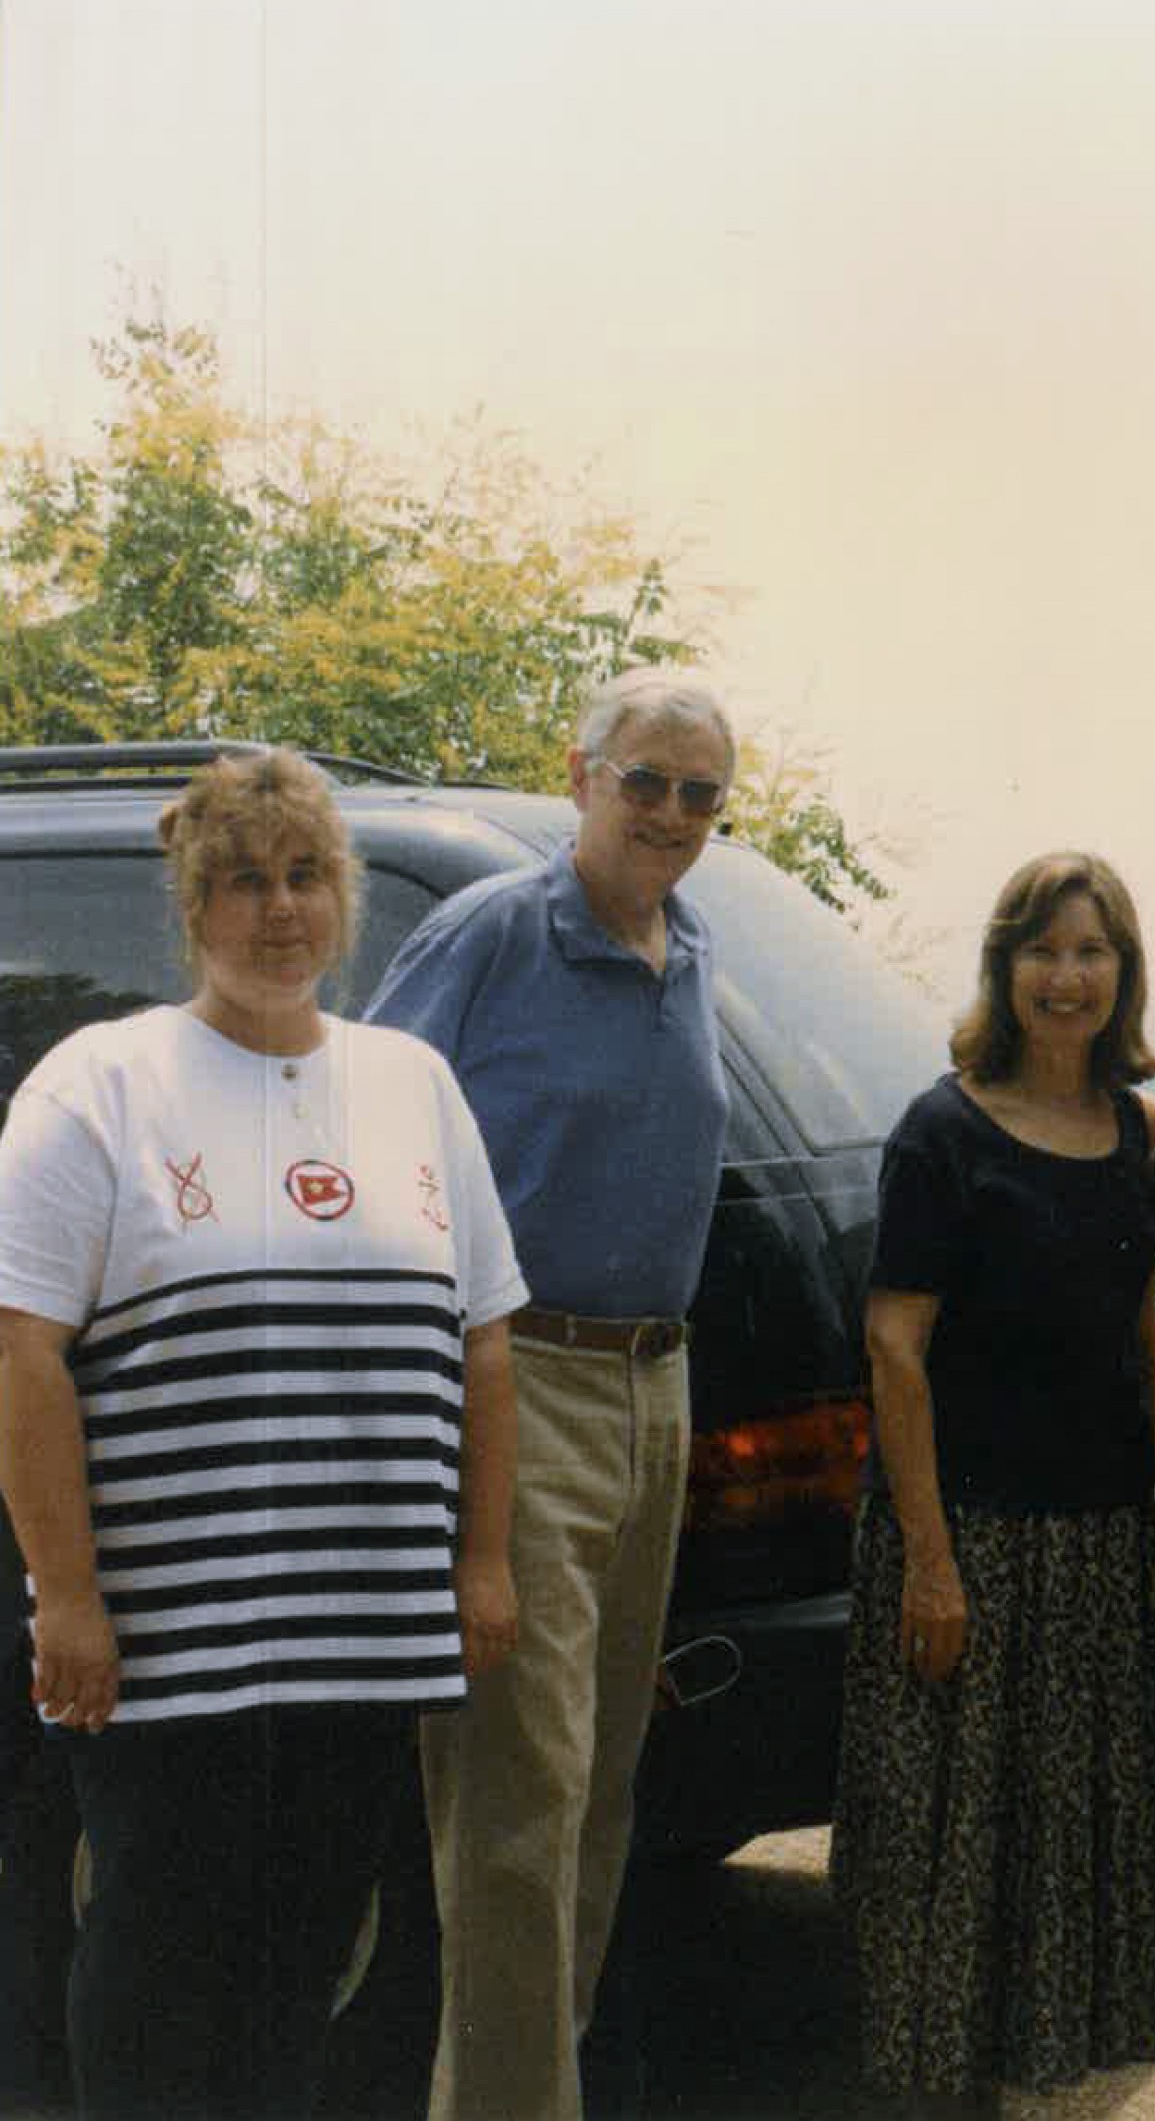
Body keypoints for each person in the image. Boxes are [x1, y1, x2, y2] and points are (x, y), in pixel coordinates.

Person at [0, 749, 523, 2119]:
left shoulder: (413, 1082)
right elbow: (24, 1351)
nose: (280, 909)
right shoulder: (100, 1081)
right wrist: (67, 1594)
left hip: (364, 1627)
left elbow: (485, 1341)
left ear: (342, 897)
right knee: (155, 1949)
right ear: (193, 906)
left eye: (305, 877)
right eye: (243, 881)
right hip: (167, 1633)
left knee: (304, 1953)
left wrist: (481, 1560)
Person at [366, 665, 734, 2121]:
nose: (671, 812)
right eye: (645, 779)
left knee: (597, 1800)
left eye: (701, 792)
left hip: (656, 1390)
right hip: (520, 1383)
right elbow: (368, 1136)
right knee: (520, 1807)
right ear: (580, 774)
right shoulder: (494, 932)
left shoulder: (692, 943)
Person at [830, 852, 1155, 2105]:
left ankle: (1041, 2079)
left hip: (1094, 1535)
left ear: (1123, 972)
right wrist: (930, 1562)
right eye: (1043, 950)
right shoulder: (943, 1130)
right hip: (964, 1531)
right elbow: (894, 1348)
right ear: (1004, 965)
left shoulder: (1138, 1130)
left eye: (1091, 952)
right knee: (953, 1828)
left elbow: (1142, 1326)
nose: (1066, 977)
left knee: (1064, 1827)